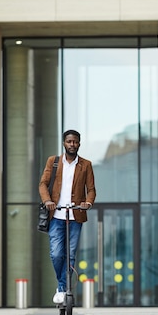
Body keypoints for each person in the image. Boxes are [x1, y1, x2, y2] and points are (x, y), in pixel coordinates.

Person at [39, 129, 96, 304]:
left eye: (75, 142)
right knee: (57, 254)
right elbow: (43, 184)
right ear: (64, 143)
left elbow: (91, 189)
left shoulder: (85, 165)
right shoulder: (54, 162)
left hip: (75, 215)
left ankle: (62, 289)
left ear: (79, 143)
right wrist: (48, 200)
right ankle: (62, 286)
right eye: (69, 141)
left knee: (70, 254)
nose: (72, 144)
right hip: (56, 215)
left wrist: (88, 202)